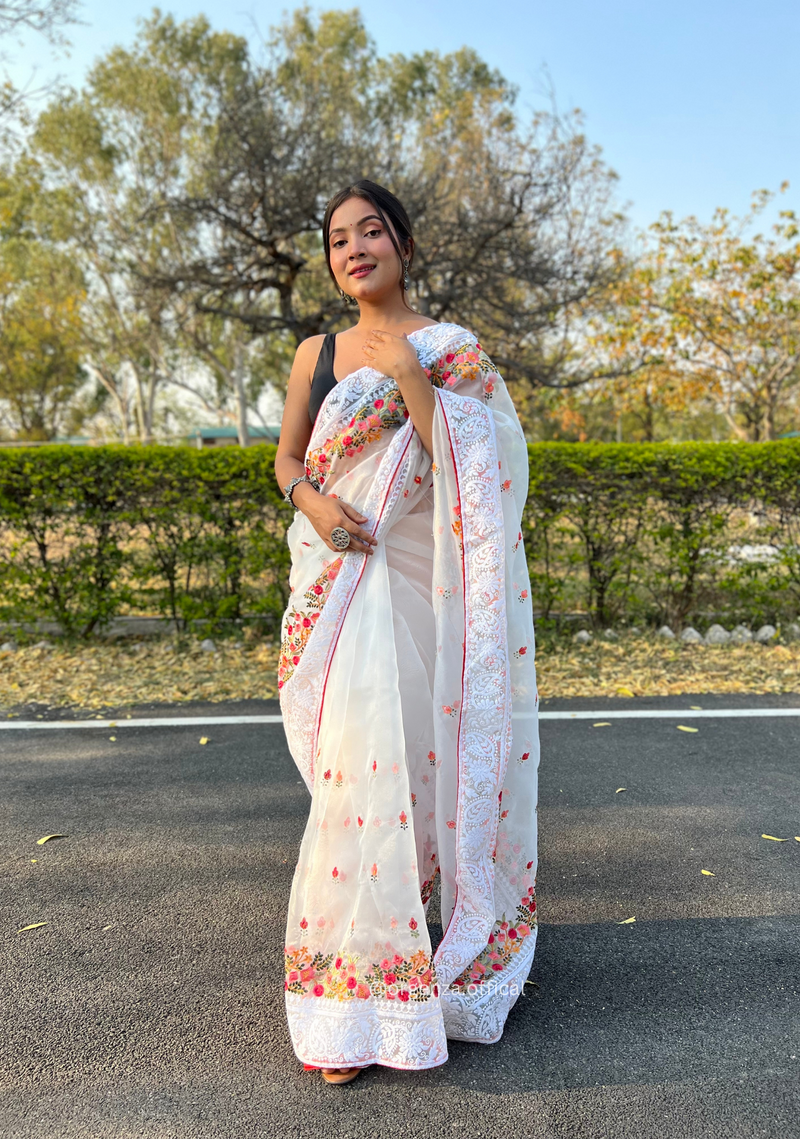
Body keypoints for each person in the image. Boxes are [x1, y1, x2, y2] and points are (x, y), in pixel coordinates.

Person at [274, 179, 540, 1084]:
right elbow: (287, 457)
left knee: (415, 773)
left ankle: (391, 967)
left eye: (371, 231)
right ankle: (353, 988)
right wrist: (311, 498)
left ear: (404, 244)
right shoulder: (316, 352)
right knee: (354, 779)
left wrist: (412, 379)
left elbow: (474, 461)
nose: (355, 248)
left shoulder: (449, 349)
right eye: (339, 238)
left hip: (422, 588)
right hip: (342, 589)